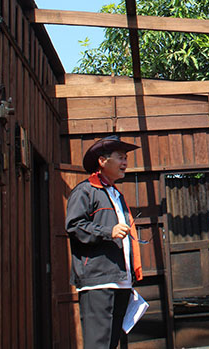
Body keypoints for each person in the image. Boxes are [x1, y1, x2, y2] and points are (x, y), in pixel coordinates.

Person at [65, 135, 144, 349]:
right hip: (98, 280)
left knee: (110, 343)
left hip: (119, 279)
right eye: (120, 157)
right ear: (102, 161)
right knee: (98, 344)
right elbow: (74, 226)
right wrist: (109, 231)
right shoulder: (85, 191)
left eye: (126, 157)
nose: (125, 162)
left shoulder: (115, 194)